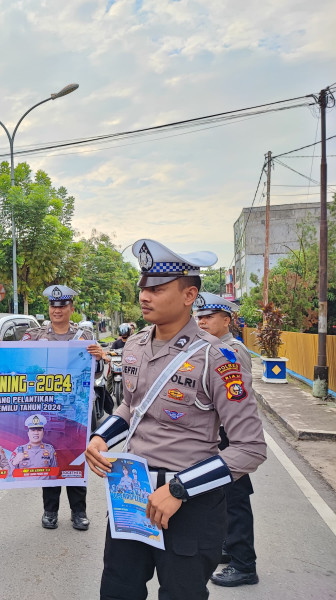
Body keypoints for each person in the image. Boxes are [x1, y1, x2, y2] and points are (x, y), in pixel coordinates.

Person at [85, 239, 267, 600]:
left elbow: (250, 449)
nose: (144, 295)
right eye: (143, 287)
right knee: (118, 589)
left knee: (182, 593)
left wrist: (179, 489)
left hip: (190, 500)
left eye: (157, 288)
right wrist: (100, 437)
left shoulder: (218, 357)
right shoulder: (135, 346)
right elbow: (132, 408)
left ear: (189, 296)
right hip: (132, 492)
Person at [21, 284, 106, 531]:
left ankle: (79, 512)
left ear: (71, 309)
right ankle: (50, 511)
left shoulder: (85, 337)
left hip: (77, 411)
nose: (56, 311)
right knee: (49, 458)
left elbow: (96, 372)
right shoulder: (35, 336)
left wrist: (99, 358)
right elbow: (20, 362)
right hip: (47, 409)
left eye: (62, 307)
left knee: (77, 458)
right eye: (53, 306)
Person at [195, 292, 259, 587]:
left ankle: (244, 564)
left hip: (231, 436)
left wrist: (234, 441)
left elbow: (238, 399)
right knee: (222, 497)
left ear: (227, 320)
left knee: (236, 499)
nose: (202, 321)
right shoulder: (210, 348)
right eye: (200, 317)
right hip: (217, 434)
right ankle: (230, 546)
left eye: (209, 317)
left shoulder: (232, 350)